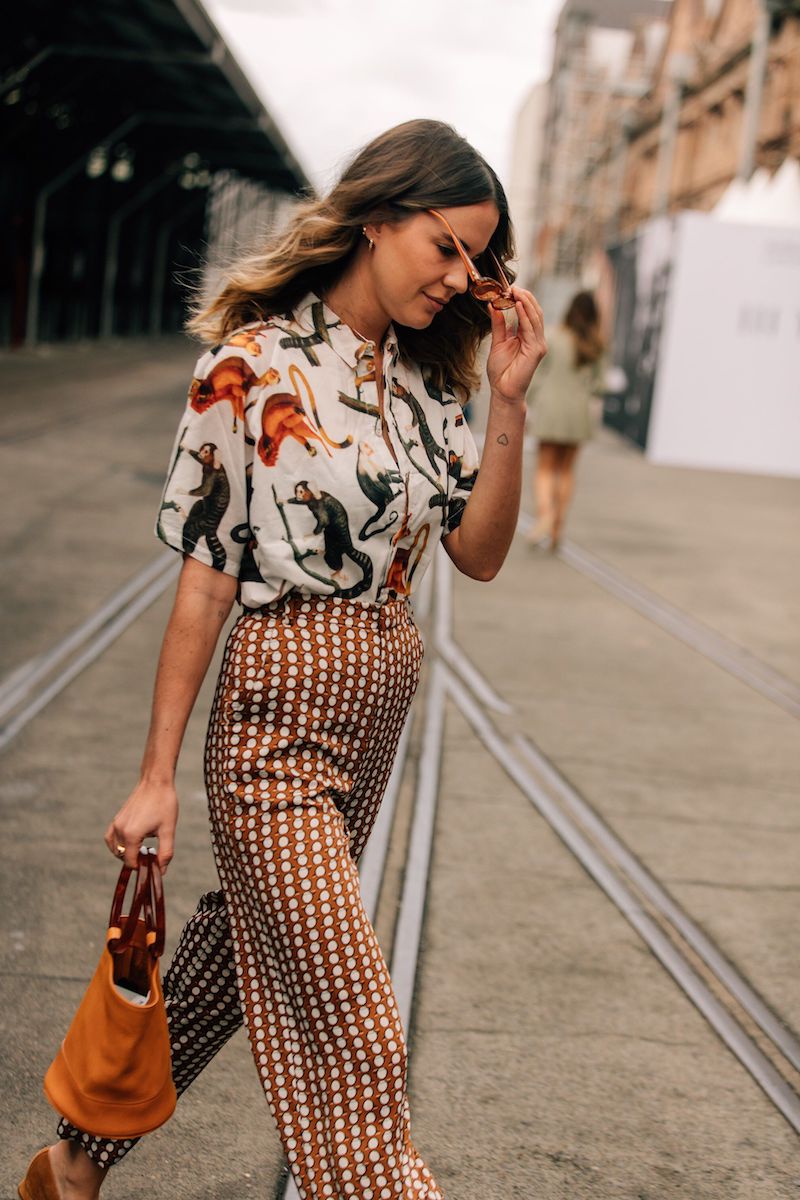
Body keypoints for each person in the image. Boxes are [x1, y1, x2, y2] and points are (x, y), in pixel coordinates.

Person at [20, 119, 546, 1200]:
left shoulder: (424, 385)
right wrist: (158, 773)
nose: (458, 280)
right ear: (377, 216)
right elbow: (207, 579)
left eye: (476, 263)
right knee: (351, 1009)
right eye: (445, 248)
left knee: (225, 964)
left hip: (372, 710)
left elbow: (479, 554)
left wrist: (509, 400)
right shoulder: (251, 368)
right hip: (274, 717)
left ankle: (71, 1166)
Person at [525, 290, 605, 551]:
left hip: (550, 409)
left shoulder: (555, 336)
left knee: (545, 468)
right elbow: (599, 385)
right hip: (578, 413)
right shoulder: (596, 344)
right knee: (567, 471)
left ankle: (545, 515)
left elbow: (537, 375)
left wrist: (529, 402)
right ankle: (558, 528)